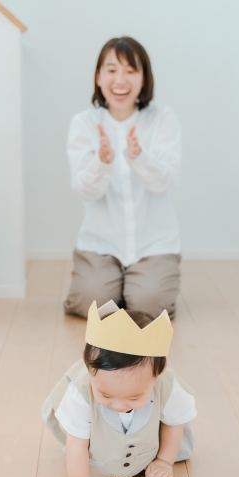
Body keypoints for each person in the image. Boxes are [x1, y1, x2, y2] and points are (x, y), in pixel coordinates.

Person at [64, 37, 183, 320]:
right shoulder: (83, 123)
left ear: (144, 78)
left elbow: (166, 181)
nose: (121, 80)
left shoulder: (163, 119)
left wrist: (138, 156)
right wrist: (102, 162)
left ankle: (134, 286)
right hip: (100, 245)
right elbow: (85, 190)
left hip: (153, 244)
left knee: (149, 308)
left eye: (131, 71)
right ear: (98, 77)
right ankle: (112, 285)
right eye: (112, 70)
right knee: (90, 304)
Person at [42, 300, 196, 477]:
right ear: (89, 370)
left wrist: (164, 461)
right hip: (98, 453)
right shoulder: (79, 392)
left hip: (147, 451)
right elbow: (77, 444)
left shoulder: (168, 385)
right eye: (105, 395)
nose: (119, 405)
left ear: (158, 375)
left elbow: (174, 422)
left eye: (134, 397)